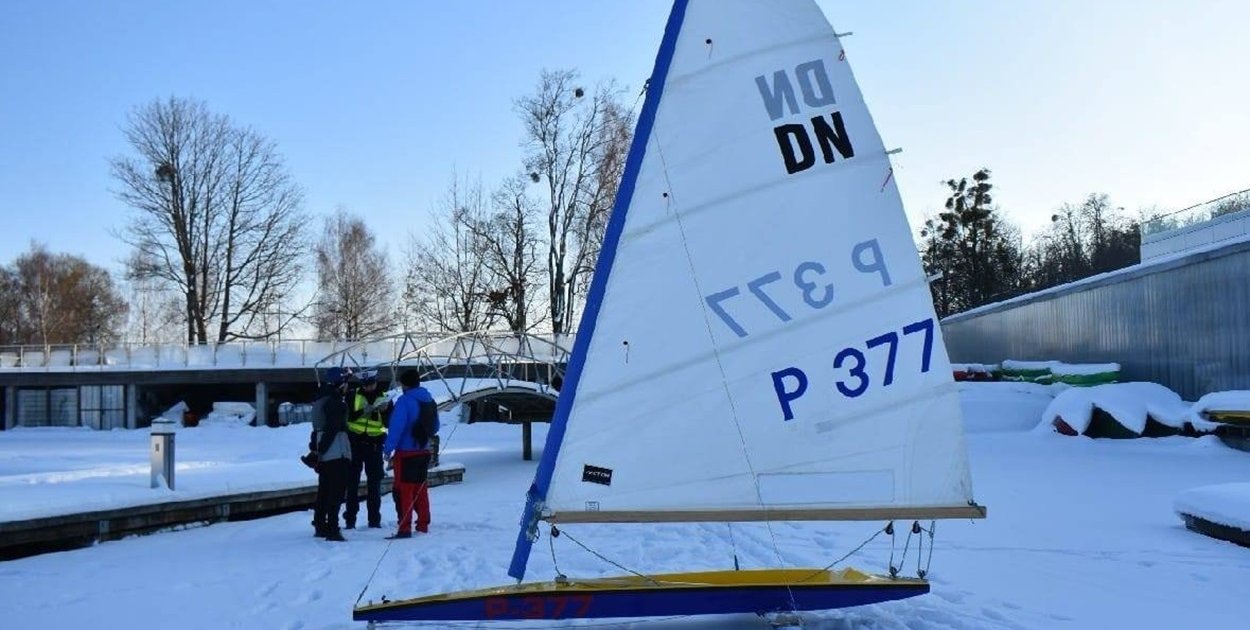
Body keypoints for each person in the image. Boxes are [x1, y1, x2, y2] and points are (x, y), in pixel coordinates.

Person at [383, 369, 439, 538]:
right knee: (421, 489)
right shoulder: (429, 399)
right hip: (423, 451)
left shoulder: (404, 401)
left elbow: (396, 428)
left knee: (403, 491)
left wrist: (387, 448)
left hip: (405, 453)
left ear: (404, 384)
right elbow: (435, 426)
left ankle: (404, 528)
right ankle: (423, 525)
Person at [308, 366, 354, 541]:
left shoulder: (320, 400)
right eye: (346, 382)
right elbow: (334, 428)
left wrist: (317, 450)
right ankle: (333, 529)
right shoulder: (335, 403)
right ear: (339, 383)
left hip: (326, 454)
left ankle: (320, 525)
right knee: (336, 492)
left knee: (324, 491)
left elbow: (317, 429)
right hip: (337, 453)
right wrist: (322, 450)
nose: (347, 387)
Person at [343, 370, 389, 529]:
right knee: (352, 484)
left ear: (376, 382)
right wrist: (364, 411)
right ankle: (350, 520)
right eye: (366, 385)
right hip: (355, 444)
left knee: (374, 485)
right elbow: (347, 417)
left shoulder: (385, 398)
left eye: (372, 384)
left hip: (374, 446)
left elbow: (389, 423)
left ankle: (374, 520)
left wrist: (386, 411)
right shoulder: (352, 395)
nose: (369, 387)